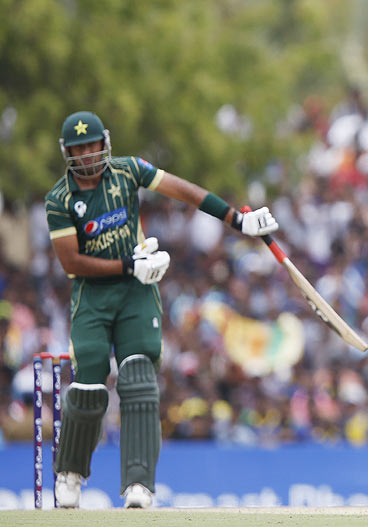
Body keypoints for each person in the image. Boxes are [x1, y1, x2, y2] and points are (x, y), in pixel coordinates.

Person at [45, 110, 278, 508]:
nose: (87, 155)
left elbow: (183, 191)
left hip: (136, 292)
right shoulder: (59, 200)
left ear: (105, 142)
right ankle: (70, 472)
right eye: (79, 148)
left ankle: (139, 484)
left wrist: (236, 219)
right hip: (92, 296)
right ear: (67, 152)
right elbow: (71, 263)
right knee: (89, 386)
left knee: (138, 378)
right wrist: (127, 264)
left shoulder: (128, 170)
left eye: (93, 145)